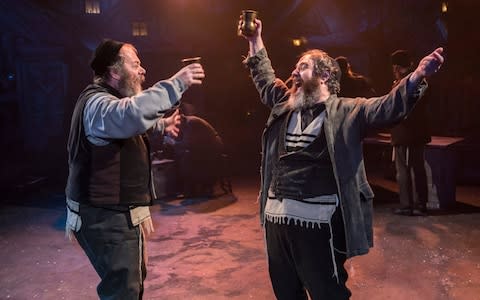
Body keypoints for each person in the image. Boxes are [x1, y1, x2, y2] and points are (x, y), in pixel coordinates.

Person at [238, 17, 443, 299]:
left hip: (318, 226)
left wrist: (417, 76)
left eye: (304, 67)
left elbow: (387, 107)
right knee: (285, 291)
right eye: (296, 67)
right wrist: (254, 40)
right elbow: (263, 77)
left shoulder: (347, 110)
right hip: (276, 221)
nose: (295, 73)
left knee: (328, 292)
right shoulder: (285, 105)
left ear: (324, 76)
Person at [65, 39, 205, 299]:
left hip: (108, 212)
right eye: (135, 64)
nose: (143, 71)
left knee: (129, 283)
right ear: (114, 71)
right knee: (124, 289)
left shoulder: (107, 102)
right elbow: (127, 115)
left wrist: (161, 125)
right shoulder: (97, 103)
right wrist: (176, 84)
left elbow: (125, 126)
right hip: (106, 215)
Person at [390, 49, 431, 216]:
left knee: (405, 171)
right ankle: (421, 203)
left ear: (397, 66)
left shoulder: (405, 82)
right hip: (415, 133)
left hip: (406, 134)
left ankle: (409, 205)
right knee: (417, 168)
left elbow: (403, 108)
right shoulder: (420, 81)